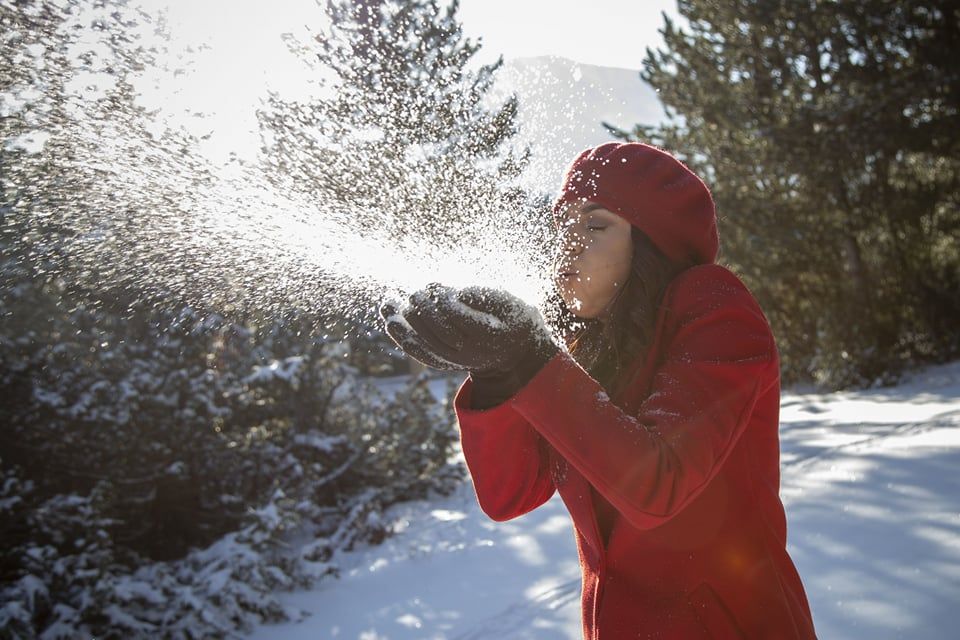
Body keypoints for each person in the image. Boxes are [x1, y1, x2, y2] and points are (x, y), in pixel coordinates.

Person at [380, 142, 817, 639]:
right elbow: (510, 495)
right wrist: (497, 371)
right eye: (561, 223)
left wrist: (529, 360)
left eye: (594, 224)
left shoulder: (715, 306)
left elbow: (659, 482)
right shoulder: (579, 348)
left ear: (652, 243)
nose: (567, 242)